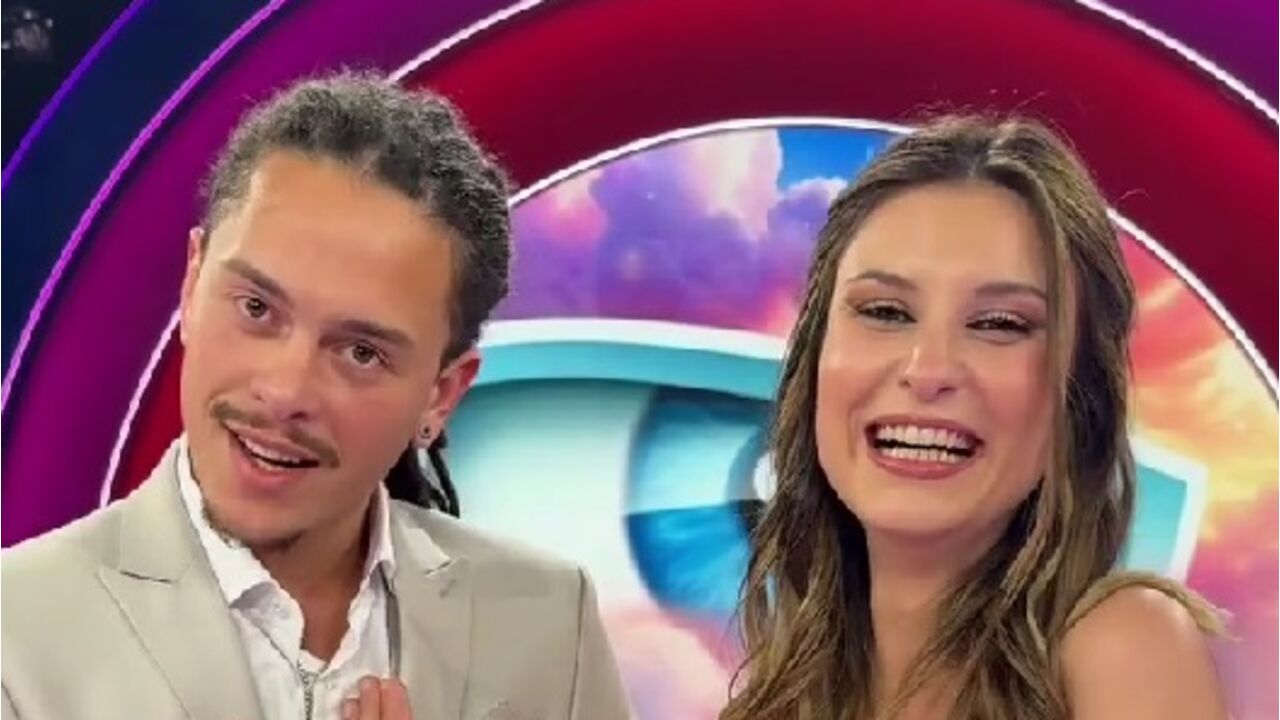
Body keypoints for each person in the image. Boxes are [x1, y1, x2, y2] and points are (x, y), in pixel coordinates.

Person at [2, 72, 632, 720]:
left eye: (361, 352)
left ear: (440, 396)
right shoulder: (17, 634)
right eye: (256, 308)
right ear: (192, 284)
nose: (285, 392)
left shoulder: (551, 626)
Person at [720, 116, 1227, 720]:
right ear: (814, 360)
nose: (927, 369)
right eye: (885, 312)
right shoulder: (776, 701)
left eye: (999, 324)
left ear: (1079, 397)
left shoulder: (1126, 649)